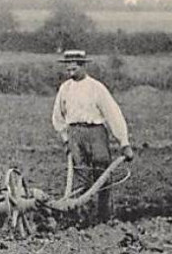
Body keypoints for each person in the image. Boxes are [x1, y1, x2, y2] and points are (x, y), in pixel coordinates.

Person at [50, 49, 135, 224]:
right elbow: (58, 116)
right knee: (80, 174)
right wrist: (65, 140)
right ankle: (81, 217)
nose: (69, 69)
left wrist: (124, 142)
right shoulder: (65, 89)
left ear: (82, 65)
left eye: (73, 66)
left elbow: (113, 114)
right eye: (67, 66)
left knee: (102, 172)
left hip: (95, 132)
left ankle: (104, 216)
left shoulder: (96, 88)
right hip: (74, 134)